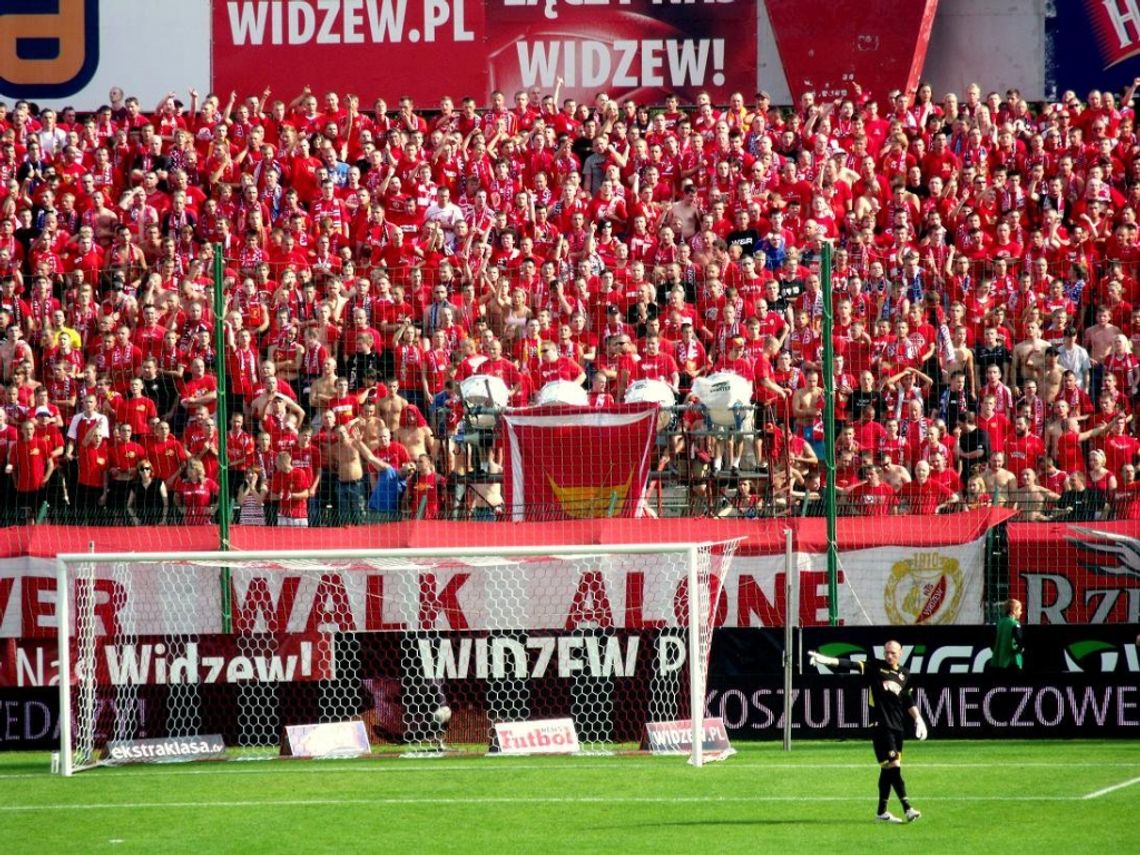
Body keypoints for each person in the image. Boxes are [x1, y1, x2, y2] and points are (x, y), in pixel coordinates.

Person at [808, 641, 926, 823]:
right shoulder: (875, 667)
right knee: (894, 767)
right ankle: (907, 808)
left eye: (893, 653)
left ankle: (881, 813)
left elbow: (908, 699)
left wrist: (918, 718)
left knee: (887, 769)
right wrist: (826, 660)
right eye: (887, 652)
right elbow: (850, 665)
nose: (889, 656)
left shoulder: (905, 674)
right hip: (880, 725)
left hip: (898, 727)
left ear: (900, 653)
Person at [991, 598, 1024, 672]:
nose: (1021, 612)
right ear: (1013, 611)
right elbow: (1020, 640)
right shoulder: (1015, 624)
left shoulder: (1000, 622)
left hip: (999, 660)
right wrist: (1020, 649)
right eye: (1019, 610)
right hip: (1012, 661)